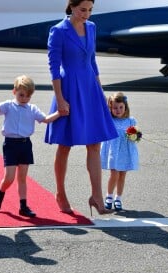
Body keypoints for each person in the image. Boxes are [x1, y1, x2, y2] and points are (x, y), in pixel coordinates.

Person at [44, 0, 118, 216]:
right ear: (72, 7)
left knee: (94, 145)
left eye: (90, 10)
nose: (87, 14)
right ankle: (60, 193)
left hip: (90, 89)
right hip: (68, 89)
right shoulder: (58, 30)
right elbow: (53, 67)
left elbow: (93, 61)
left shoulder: (92, 27)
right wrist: (59, 99)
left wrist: (100, 91)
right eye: (82, 9)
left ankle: (96, 197)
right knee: (65, 145)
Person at [0, 75, 61, 217]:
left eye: (28, 96)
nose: (24, 99)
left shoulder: (32, 109)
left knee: (22, 177)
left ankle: (23, 206)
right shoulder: (8, 105)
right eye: (21, 95)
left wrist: (59, 112)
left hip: (25, 144)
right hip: (10, 144)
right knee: (9, 177)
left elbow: (45, 119)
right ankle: (1, 191)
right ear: (14, 91)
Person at [100, 92, 141, 211]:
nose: (118, 110)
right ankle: (109, 196)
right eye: (115, 108)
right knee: (114, 173)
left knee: (122, 175)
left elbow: (136, 136)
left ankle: (118, 198)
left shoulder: (131, 120)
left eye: (121, 107)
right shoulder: (109, 120)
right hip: (113, 151)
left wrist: (135, 135)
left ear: (125, 107)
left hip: (126, 151)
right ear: (110, 108)